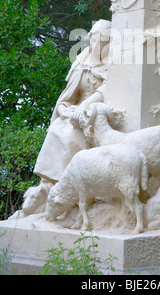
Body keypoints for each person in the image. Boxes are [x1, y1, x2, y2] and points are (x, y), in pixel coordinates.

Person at [17, 20, 111, 215]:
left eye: (102, 40)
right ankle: (50, 186)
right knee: (56, 129)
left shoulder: (113, 65)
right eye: (94, 38)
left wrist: (85, 106)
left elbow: (109, 90)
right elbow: (66, 99)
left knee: (70, 136)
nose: (96, 44)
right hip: (75, 113)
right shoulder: (81, 64)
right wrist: (66, 110)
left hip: (97, 113)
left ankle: (69, 189)